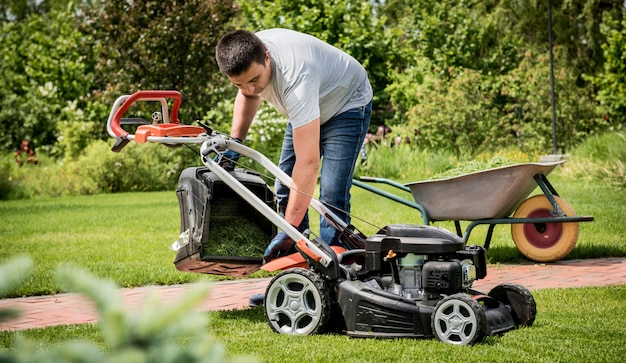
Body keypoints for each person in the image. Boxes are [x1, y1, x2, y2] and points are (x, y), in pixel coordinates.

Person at [215, 28, 373, 263]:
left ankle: (335, 275)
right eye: (239, 85)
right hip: (308, 107)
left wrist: (288, 229)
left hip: (346, 103)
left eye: (254, 80)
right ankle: (297, 271)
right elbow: (248, 96)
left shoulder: (296, 76)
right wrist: (235, 143)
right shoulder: (246, 52)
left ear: (267, 57)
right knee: (284, 187)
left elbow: (308, 164)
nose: (249, 89)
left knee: (331, 199)